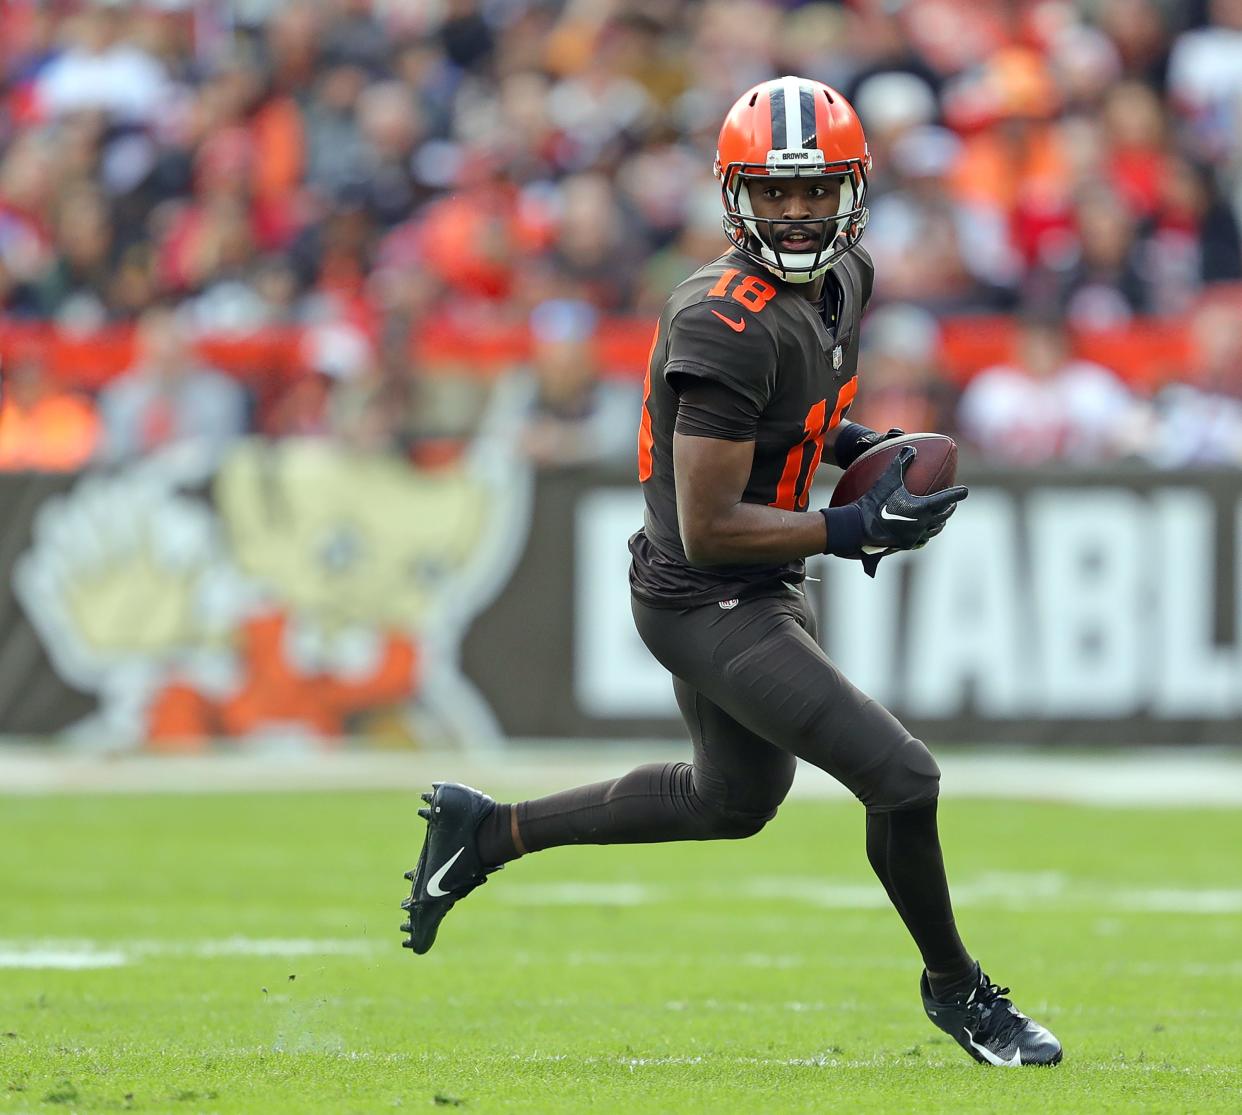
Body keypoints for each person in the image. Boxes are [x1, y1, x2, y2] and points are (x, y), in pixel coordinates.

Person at [400, 77, 1062, 1068]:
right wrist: (849, 527)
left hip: (751, 583)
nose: (796, 211)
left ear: (852, 189)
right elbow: (710, 526)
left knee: (731, 802)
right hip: (703, 593)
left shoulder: (844, 281)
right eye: (775, 191)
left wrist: (858, 444)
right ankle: (959, 990)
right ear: (734, 196)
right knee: (903, 776)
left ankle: (484, 831)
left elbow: (788, 418)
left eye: (815, 189)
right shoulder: (724, 318)